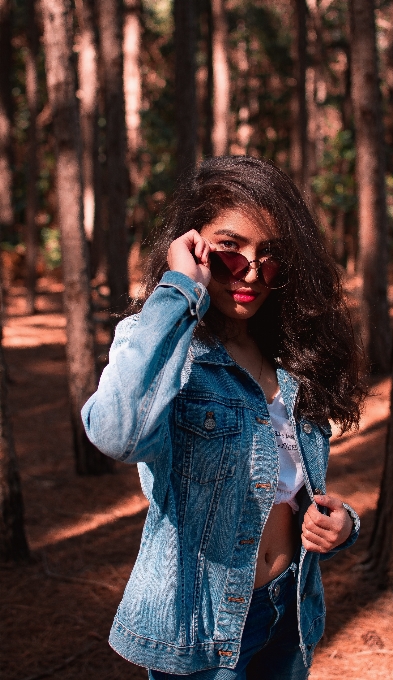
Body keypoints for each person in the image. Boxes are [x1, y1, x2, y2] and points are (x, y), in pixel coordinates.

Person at [82, 156, 365, 680]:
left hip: (290, 616)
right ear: (193, 244)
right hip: (201, 631)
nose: (252, 272)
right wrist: (179, 287)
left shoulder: (292, 360)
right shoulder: (167, 350)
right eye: (231, 249)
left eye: (270, 256)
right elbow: (116, 433)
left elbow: (286, 488)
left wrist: (340, 523)